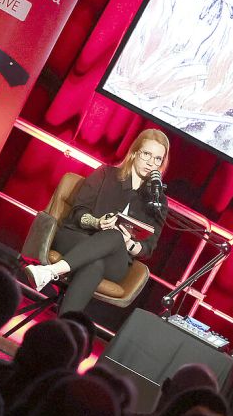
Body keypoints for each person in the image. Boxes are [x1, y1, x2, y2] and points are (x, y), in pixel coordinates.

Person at [22, 129, 170, 313]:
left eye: (157, 159)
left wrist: (129, 243)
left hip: (116, 259)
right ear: (134, 153)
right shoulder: (106, 174)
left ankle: (50, 272)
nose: (151, 163)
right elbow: (78, 212)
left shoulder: (157, 201)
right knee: (94, 264)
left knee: (115, 238)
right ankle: (63, 331)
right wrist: (97, 222)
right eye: (147, 154)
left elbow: (148, 248)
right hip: (78, 238)